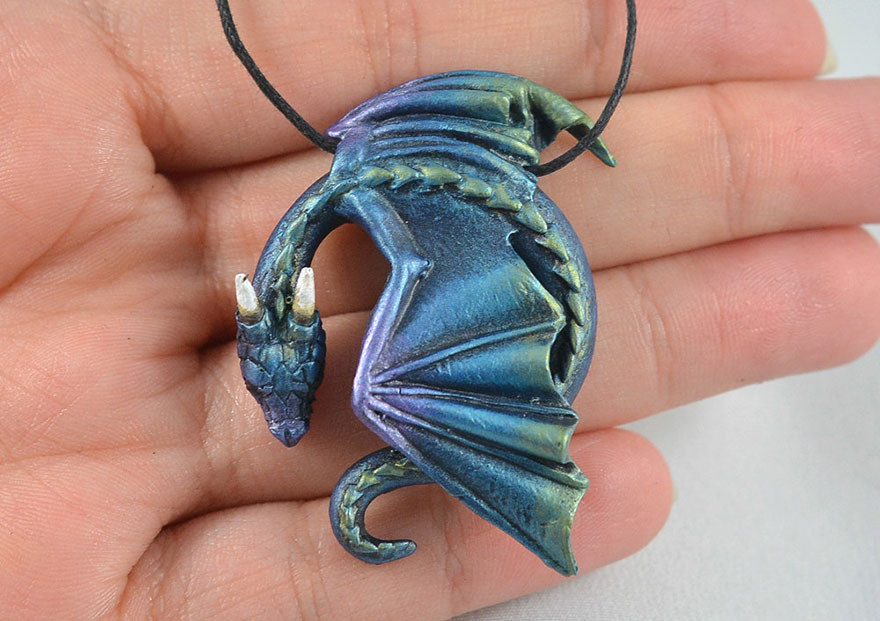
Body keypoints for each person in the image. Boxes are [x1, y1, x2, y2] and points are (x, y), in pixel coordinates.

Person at [1, 0, 877, 617]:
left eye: (286, 392)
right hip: (463, 220)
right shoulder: (360, 171)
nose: (291, 423)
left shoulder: (366, 188)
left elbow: (417, 257)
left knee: (380, 387)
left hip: (512, 256)